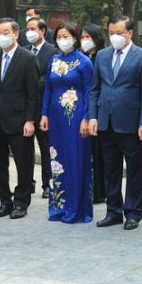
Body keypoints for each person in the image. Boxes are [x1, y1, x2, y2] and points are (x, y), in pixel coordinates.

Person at [89, 16, 142, 231]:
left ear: (130, 33)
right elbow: (95, 89)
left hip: (131, 123)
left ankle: (133, 212)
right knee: (110, 169)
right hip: (106, 122)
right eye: (111, 33)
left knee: (135, 170)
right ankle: (113, 211)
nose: (115, 37)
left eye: (119, 33)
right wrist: (93, 117)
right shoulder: (102, 55)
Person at [0, 17, 39, 219]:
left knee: (23, 163)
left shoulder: (28, 58)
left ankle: (21, 202)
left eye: (6, 33)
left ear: (15, 34)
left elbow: (33, 94)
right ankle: (4, 201)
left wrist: (30, 120)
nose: (1, 37)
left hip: (19, 121)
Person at [39, 22, 94, 223]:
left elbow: (89, 92)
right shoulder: (53, 60)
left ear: (75, 38)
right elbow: (48, 89)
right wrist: (44, 114)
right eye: (59, 37)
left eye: (66, 36)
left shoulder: (84, 62)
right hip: (55, 118)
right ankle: (58, 206)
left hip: (76, 117)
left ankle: (76, 209)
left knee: (75, 159)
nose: (62, 40)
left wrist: (86, 118)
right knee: (57, 159)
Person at [26, 16, 61, 198]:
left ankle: (47, 184)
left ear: (42, 31)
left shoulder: (53, 52)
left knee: (46, 148)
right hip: (25, 108)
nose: (29, 32)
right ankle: (27, 183)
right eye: (27, 29)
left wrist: (29, 84)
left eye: (33, 29)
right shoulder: (24, 51)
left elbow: (48, 79)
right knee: (25, 149)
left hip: (43, 107)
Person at [81, 24, 107, 204]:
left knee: (99, 155)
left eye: (88, 37)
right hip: (82, 109)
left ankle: (99, 191)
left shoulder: (102, 58)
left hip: (97, 110)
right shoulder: (82, 58)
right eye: (82, 37)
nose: (84, 41)